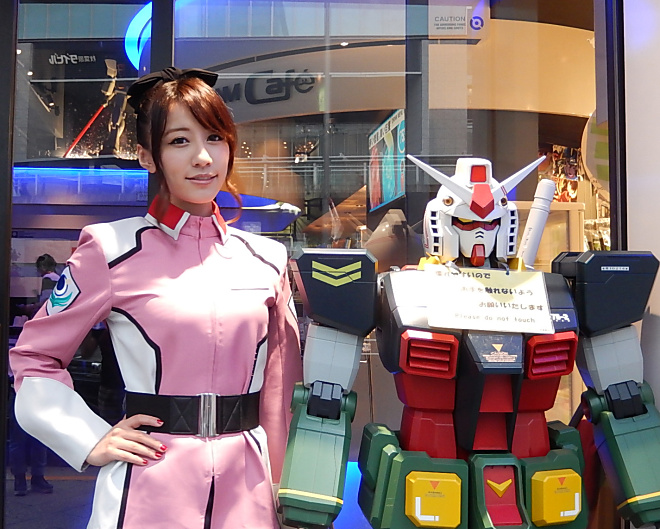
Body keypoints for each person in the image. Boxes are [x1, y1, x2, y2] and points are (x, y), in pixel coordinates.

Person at [9, 67, 302, 528]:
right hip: (150, 484)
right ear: (148, 156)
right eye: (179, 141)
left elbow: (281, 391)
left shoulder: (267, 258)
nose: (203, 157)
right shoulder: (109, 248)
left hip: (249, 487)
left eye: (214, 137)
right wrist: (90, 437)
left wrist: (289, 491)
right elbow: (33, 358)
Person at [9, 254, 59, 495]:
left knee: (19, 438)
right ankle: (36, 478)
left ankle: (21, 481)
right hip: (39, 383)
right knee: (38, 435)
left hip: (18, 384)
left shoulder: (18, 327)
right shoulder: (45, 329)